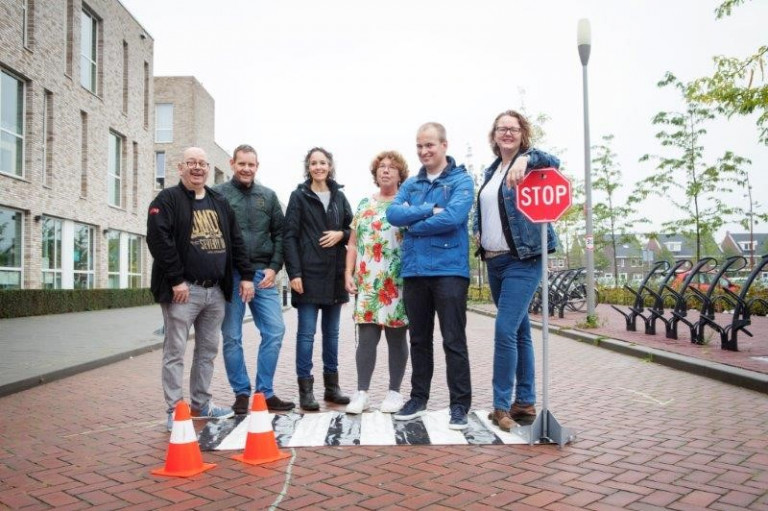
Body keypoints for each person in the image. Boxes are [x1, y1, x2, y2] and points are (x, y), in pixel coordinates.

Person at [147, 146, 255, 432]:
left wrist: (246, 275)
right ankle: (175, 409)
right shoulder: (166, 200)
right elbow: (158, 241)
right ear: (180, 167)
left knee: (207, 351)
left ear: (208, 169)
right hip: (184, 291)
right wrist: (176, 279)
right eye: (191, 163)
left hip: (215, 292)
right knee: (175, 351)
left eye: (202, 164)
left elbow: (236, 241)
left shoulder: (219, 201)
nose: (197, 168)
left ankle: (201, 403)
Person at [473, 110, 560, 432]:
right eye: (501, 129)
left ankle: (500, 404)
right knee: (520, 332)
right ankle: (524, 402)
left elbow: (554, 161)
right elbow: (484, 207)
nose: (506, 133)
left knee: (504, 330)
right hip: (494, 261)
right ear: (494, 135)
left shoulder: (531, 162)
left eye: (513, 129)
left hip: (523, 260)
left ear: (523, 133)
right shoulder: (491, 170)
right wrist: (477, 231)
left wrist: (528, 158)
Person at [386, 122, 474, 430]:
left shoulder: (462, 181)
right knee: (419, 339)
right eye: (420, 146)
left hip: (450, 270)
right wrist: (430, 210)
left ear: (444, 145)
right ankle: (418, 398)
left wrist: (414, 224)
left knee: (453, 340)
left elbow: (453, 218)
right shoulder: (410, 183)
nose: (424, 151)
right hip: (414, 271)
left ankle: (460, 405)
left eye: (430, 145)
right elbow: (394, 215)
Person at [213, 144, 294, 414]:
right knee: (232, 336)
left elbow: (281, 235)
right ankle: (241, 392)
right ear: (232, 163)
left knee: (275, 331)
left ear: (257, 166)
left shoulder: (268, 197)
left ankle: (265, 391)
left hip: (264, 276)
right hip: (232, 276)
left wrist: (274, 267)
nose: (246, 169)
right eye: (242, 164)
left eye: (251, 165)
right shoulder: (219, 195)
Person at [284, 147, 353, 410]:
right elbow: (289, 236)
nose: (318, 167)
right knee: (306, 335)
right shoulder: (299, 196)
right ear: (308, 167)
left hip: (334, 276)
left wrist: (341, 235)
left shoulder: (339, 197)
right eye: (313, 163)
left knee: (332, 335)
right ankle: (306, 389)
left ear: (330, 166)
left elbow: (353, 230)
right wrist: (295, 273)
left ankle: (332, 388)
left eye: (323, 162)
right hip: (308, 276)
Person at [344, 151, 410, 414]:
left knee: (396, 338)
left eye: (392, 167)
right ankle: (362, 393)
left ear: (400, 174)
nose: (385, 171)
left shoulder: (406, 205)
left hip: (397, 281)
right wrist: (348, 273)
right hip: (368, 282)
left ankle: (394, 392)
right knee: (367, 339)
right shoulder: (363, 205)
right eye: (381, 167)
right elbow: (352, 243)